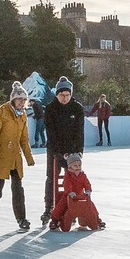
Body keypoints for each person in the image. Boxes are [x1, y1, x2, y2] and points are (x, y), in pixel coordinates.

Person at [0, 86, 35, 233]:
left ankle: (21, 219)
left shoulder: (23, 116)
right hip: (1, 158)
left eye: (24, 100)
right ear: (13, 99)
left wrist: (29, 158)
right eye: (19, 99)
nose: (22, 102)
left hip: (15, 158)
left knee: (18, 189)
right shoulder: (2, 112)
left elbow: (24, 139)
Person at [42, 77, 85, 212]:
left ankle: (71, 204)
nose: (65, 98)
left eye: (67, 95)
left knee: (73, 177)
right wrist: (58, 151)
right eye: (62, 95)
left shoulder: (77, 108)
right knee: (51, 177)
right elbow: (51, 132)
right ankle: (49, 206)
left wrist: (79, 151)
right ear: (57, 94)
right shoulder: (51, 108)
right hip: (55, 148)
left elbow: (79, 131)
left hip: (72, 149)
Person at [51, 152, 105, 231]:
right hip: (69, 196)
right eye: (75, 165)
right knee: (61, 206)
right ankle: (54, 220)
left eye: (79, 165)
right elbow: (66, 184)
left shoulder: (82, 175)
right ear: (70, 166)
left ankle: (97, 220)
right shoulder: (68, 175)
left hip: (80, 196)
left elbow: (87, 183)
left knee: (91, 205)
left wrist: (88, 190)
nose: (78, 167)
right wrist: (70, 192)